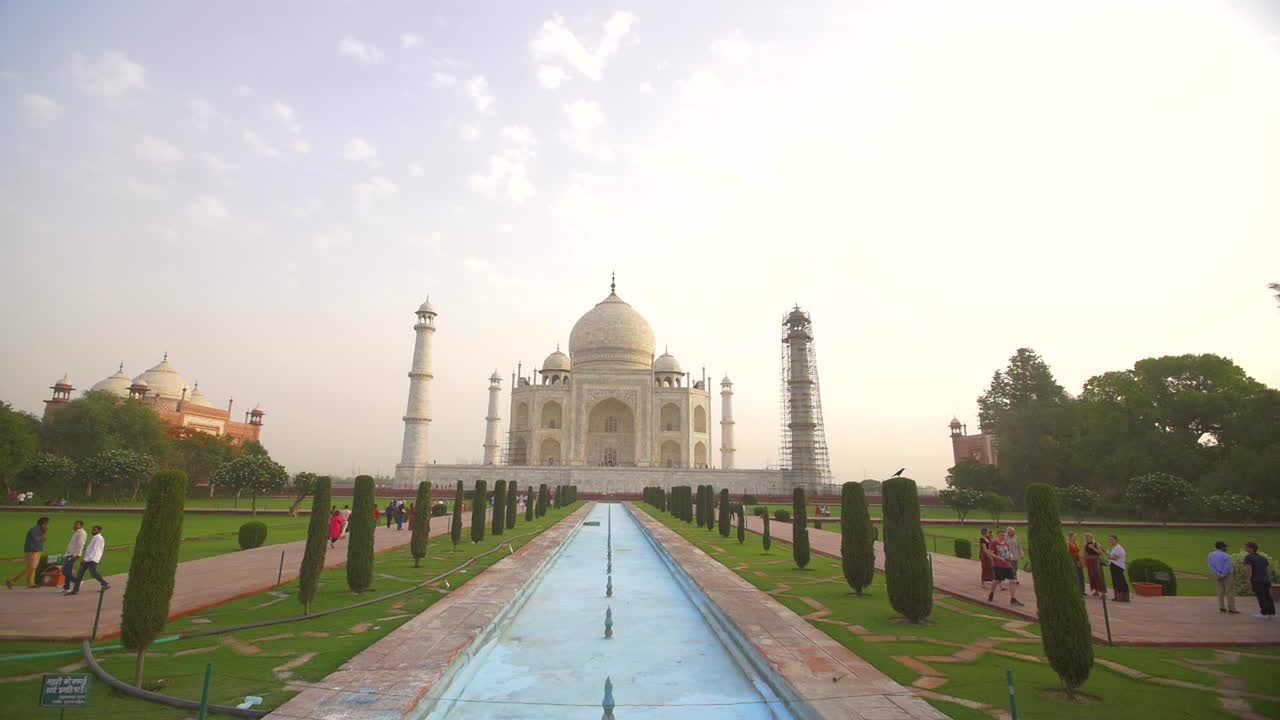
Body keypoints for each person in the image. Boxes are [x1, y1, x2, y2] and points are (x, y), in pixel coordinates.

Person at [7, 516, 49, 589]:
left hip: (37, 551)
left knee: (33, 568)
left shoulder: (41, 530)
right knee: (31, 567)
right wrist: (44, 535)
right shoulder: (34, 530)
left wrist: (44, 534)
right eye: (46, 524)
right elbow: (36, 539)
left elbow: (42, 539)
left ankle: (30, 583)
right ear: (42, 524)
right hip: (31, 551)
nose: (47, 526)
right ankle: (13, 581)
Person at [986, 529, 1024, 606]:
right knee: (996, 580)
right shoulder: (994, 543)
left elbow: (1008, 554)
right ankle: (991, 593)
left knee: (1012, 580)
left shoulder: (1006, 544)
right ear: (997, 535)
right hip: (998, 566)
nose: (1003, 536)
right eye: (1001, 535)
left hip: (1007, 565)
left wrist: (1010, 557)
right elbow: (990, 553)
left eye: (1004, 535)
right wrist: (999, 558)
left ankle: (1013, 599)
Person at [68, 525, 108, 595]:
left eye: (94, 530)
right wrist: (85, 558)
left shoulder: (98, 538)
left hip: (93, 559)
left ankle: (105, 583)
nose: (92, 531)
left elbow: (95, 550)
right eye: (92, 529)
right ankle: (75, 590)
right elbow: (91, 549)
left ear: (99, 531)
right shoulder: (95, 538)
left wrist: (86, 559)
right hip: (89, 558)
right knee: (80, 573)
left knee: (93, 572)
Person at [1243, 542, 1275, 619]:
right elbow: (1266, 570)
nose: (1245, 548)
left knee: (1261, 596)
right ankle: (1271, 612)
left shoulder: (1248, 557)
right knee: (1268, 596)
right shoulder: (1263, 557)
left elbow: (1249, 570)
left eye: (1246, 547)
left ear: (1251, 548)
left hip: (1257, 580)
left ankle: (1264, 613)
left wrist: (1248, 580)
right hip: (1266, 579)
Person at [1208, 541, 1239, 614]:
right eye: (1225, 546)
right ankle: (1231, 608)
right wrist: (1223, 574)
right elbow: (1227, 567)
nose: (1226, 548)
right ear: (1222, 547)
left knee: (1220, 591)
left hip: (1217, 575)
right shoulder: (1226, 555)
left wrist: (1217, 574)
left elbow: (1211, 565)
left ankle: (1222, 607)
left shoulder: (1211, 555)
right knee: (1229, 591)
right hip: (1227, 575)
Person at [61, 521, 87, 593]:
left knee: (65, 571)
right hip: (69, 554)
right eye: (74, 524)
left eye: (76, 524)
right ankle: (66, 587)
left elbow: (80, 544)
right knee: (68, 571)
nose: (74, 526)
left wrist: (77, 554)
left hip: (72, 555)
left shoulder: (81, 533)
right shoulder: (77, 532)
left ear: (81, 525)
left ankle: (77, 581)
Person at [1107, 534, 1130, 602]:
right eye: (1109, 540)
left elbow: (1115, 558)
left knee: (1119, 582)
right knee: (1118, 581)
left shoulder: (1118, 548)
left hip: (1117, 566)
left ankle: (1121, 597)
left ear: (1116, 540)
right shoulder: (1115, 547)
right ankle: (1120, 597)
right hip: (1115, 566)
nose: (1110, 541)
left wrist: (1108, 555)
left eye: (1112, 540)